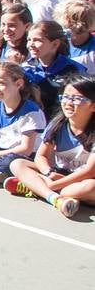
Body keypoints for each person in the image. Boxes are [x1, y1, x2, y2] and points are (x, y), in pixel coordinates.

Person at [6, 77, 95, 218]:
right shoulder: (57, 124)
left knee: (90, 187)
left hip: (84, 181)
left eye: (77, 99)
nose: (68, 103)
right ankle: (56, 199)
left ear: (93, 106)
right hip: (60, 175)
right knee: (18, 164)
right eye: (65, 97)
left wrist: (54, 185)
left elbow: (90, 171)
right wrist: (48, 173)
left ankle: (37, 188)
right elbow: (41, 156)